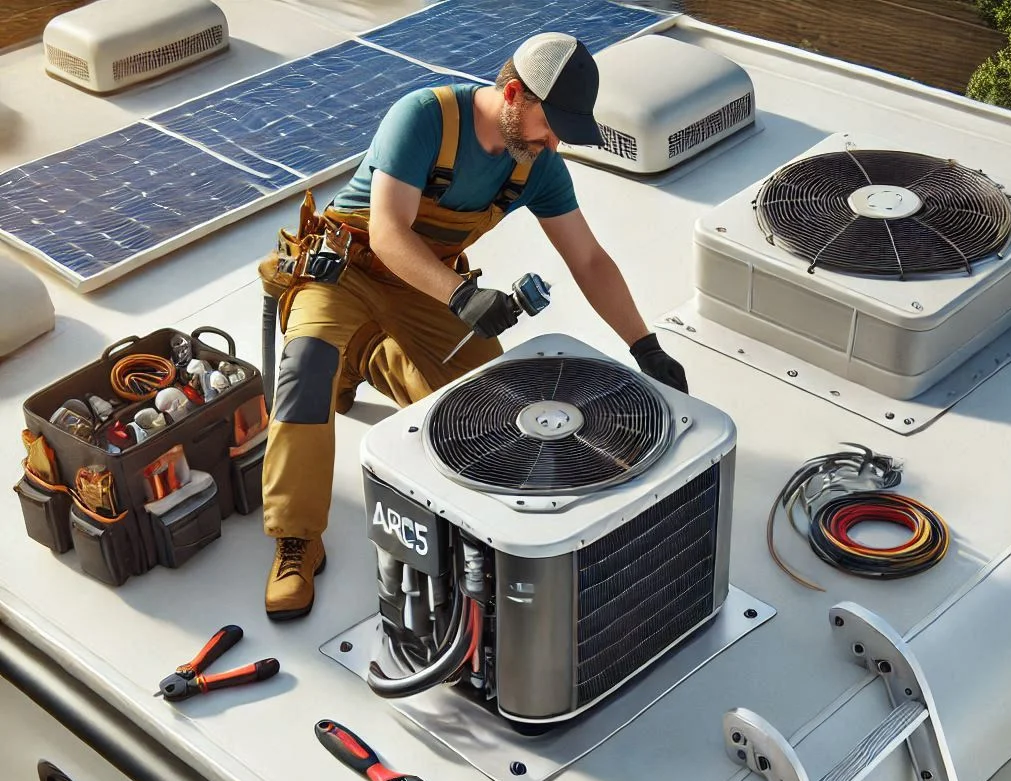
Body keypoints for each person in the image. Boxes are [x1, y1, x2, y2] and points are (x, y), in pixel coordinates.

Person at [261, 31, 690, 621]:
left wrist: (646, 346)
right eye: (551, 123)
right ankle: (296, 538)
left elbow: (589, 259)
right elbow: (388, 234)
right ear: (513, 94)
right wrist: (462, 296)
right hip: (348, 270)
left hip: (426, 284)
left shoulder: (537, 166)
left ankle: (369, 358)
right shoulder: (424, 118)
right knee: (307, 367)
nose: (555, 140)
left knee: (493, 408)